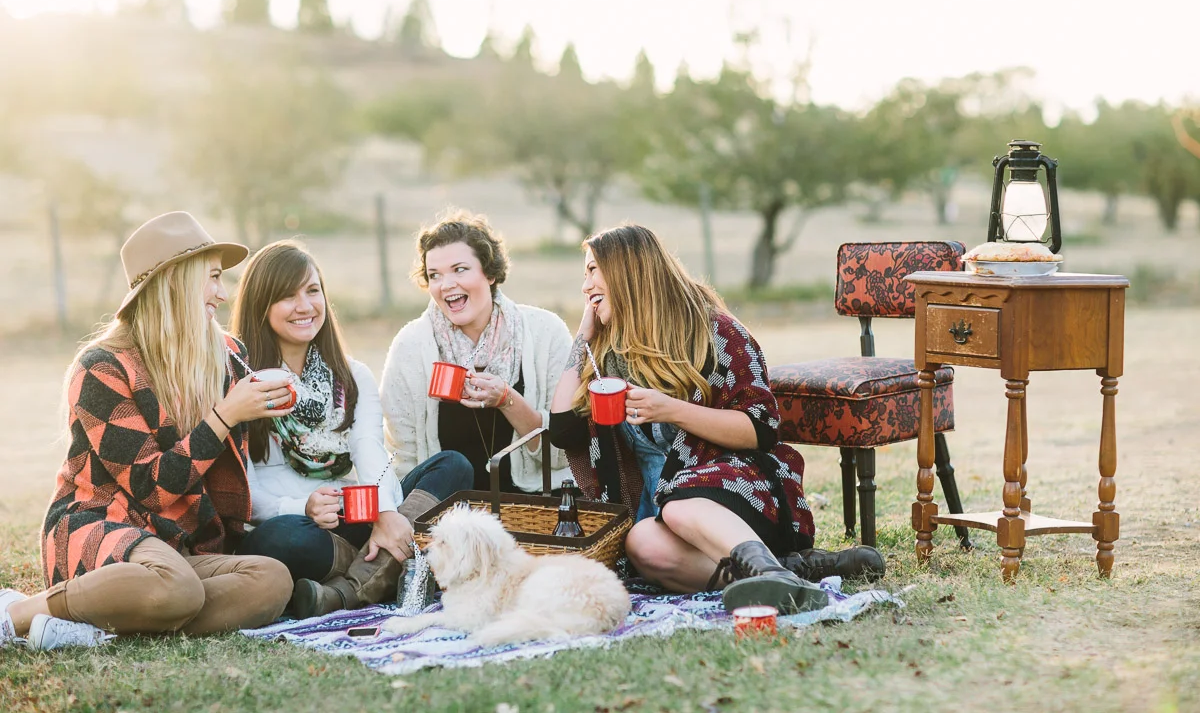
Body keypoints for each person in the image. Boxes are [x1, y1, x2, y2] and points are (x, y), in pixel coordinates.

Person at [549, 225, 884, 615]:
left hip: (738, 492)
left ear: (627, 271)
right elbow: (561, 428)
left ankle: (772, 570)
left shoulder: (715, 333)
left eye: (592, 270)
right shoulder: (609, 352)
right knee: (641, 542)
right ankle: (789, 572)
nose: (584, 284)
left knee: (679, 506)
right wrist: (582, 338)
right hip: (664, 517)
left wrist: (669, 409)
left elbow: (760, 430)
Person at [0, 212, 293, 651]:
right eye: (213, 278)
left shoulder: (225, 355)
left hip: (175, 541)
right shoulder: (101, 368)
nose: (224, 293)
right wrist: (225, 415)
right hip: (100, 524)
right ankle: (18, 612)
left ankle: (99, 628)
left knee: (271, 580)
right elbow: (149, 487)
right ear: (176, 281)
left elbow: (230, 472)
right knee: (178, 589)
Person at [228, 240, 467, 619]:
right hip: (296, 527)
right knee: (284, 538)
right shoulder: (240, 384)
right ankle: (394, 566)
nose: (305, 306)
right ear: (262, 305)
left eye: (312, 290)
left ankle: (345, 593)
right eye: (288, 296)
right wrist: (301, 506)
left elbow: (370, 450)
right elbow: (244, 492)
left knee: (453, 466)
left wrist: (384, 513)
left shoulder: (352, 376)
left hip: (357, 516)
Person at [380, 210, 574, 499]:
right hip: (446, 511)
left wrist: (508, 400)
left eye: (460, 269)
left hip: (531, 506)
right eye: (434, 275)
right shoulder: (410, 347)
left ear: (490, 273)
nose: (446, 285)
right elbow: (402, 461)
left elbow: (563, 454)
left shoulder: (546, 333)